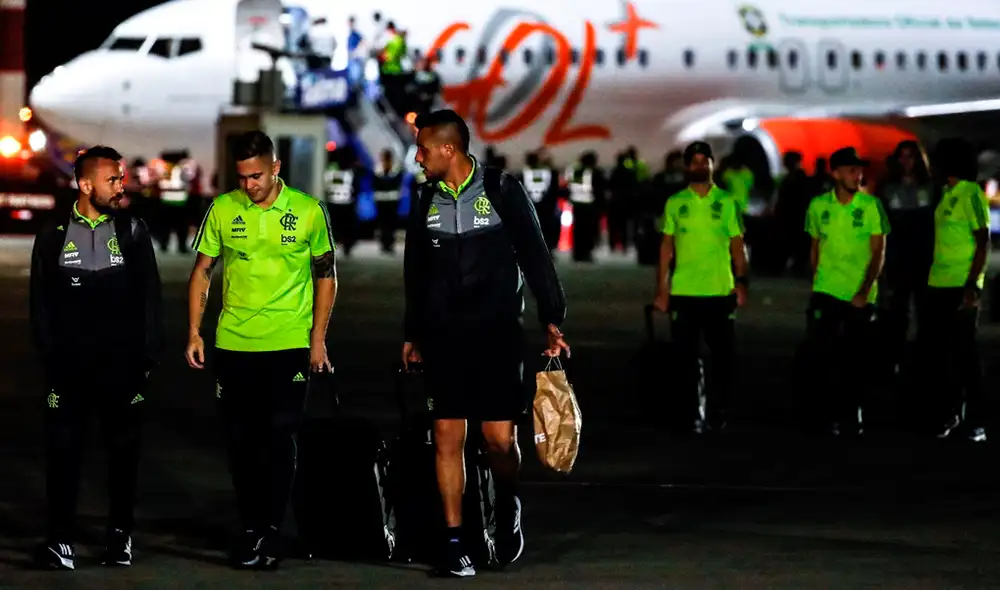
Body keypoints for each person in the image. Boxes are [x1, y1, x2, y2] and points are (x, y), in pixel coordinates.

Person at [402, 109, 569, 578]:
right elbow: (414, 271)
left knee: (498, 440)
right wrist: (412, 332)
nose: (417, 158)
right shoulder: (423, 198)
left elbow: (537, 255)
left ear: (448, 149)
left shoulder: (500, 190)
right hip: (443, 338)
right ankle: (455, 542)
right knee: (447, 439)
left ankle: (507, 503)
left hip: (496, 335)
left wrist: (552, 318)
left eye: (423, 149)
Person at [184, 131, 338, 569]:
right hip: (233, 344)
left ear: (276, 168)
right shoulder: (223, 208)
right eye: (242, 177)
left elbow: (326, 275)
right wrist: (195, 331)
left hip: (288, 343)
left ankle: (267, 529)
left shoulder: (308, 211)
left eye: (256, 175)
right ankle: (252, 525)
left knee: (279, 435)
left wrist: (317, 339)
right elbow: (202, 271)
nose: (249, 185)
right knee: (240, 442)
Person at [30, 145, 163, 570]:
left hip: (121, 368)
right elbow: (40, 302)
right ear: (86, 185)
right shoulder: (52, 232)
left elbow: (150, 298)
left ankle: (119, 536)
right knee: (63, 453)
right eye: (113, 180)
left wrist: (147, 356)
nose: (121, 186)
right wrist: (50, 357)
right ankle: (60, 540)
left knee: (123, 454)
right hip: (69, 369)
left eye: (121, 178)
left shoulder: (132, 230)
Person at [652, 141, 748, 432]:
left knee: (722, 359)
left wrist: (741, 282)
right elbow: (666, 248)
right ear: (686, 166)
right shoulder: (675, 203)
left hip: (720, 292)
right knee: (686, 359)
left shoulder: (728, 202)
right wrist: (662, 288)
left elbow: (737, 247)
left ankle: (718, 410)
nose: (699, 165)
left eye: (704, 160)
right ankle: (693, 412)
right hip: (684, 292)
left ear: (712, 164)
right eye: (693, 161)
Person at [803, 147, 889, 435]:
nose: (858, 175)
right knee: (820, 355)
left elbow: (878, 252)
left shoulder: (872, 206)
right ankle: (822, 415)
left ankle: (852, 413)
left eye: (859, 170)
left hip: (858, 295)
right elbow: (814, 247)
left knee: (854, 358)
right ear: (836, 173)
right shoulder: (818, 206)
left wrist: (864, 290)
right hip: (826, 290)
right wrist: (816, 282)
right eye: (851, 170)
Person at [922, 138, 989, 442]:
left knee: (965, 355)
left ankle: (975, 420)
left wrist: (973, 285)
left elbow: (983, 240)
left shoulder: (971, 193)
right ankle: (948, 413)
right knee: (938, 354)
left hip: (961, 285)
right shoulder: (945, 193)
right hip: (937, 283)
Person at [877, 140, 935, 374]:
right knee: (897, 312)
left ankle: (923, 361)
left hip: (923, 256)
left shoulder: (931, 187)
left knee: (925, 311)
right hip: (897, 257)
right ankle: (893, 359)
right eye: (902, 156)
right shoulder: (888, 187)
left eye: (910, 156)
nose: (906, 161)